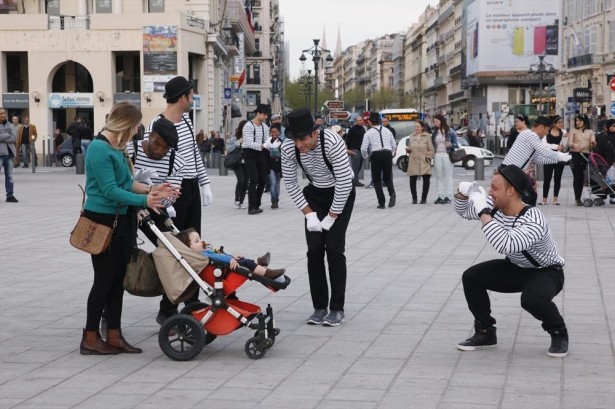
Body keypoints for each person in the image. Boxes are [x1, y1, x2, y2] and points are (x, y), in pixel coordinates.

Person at [80, 101, 178, 355]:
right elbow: (110, 190)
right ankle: (90, 337)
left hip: (121, 220)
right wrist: (145, 201)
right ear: (124, 124)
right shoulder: (100, 149)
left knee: (117, 281)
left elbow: (127, 183)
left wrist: (153, 190)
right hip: (103, 220)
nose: (137, 132)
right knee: (103, 281)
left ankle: (114, 334)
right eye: (135, 127)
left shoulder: (118, 148)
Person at [454, 165, 568, 358]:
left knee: (531, 300)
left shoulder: (534, 219)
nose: (490, 193)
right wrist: (463, 194)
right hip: (516, 268)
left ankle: (558, 331)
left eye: (494, 188)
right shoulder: (496, 208)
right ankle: (485, 332)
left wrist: (483, 211)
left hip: (547, 272)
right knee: (471, 277)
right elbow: (465, 212)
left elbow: (507, 244)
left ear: (510, 191)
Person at [145, 76, 213, 324]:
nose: (193, 99)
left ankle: (190, 302)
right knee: (175, 249)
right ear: (183, 97)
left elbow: (194, 156)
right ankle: (168, 307)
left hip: (191, 187)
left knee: (193, 246)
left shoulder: (186, 121)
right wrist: (163, 198)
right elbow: (151, 165)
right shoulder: (156, 124)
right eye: (191, 95)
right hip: (172, 192)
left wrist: (204, 183)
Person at [281, 108, 355, 327]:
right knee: (314, 250)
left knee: (333, 248)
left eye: (303, 139)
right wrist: (309, 214)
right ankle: (319, 306)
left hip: (340, 193)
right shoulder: (289, 148)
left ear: (315, 133)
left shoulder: (332, 142)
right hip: (314, 194)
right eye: (295, 139)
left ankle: (337, 309)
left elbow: (344, 183)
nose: (299, 145)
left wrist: (331, 217)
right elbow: (291, 183)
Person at [501, 115, 571, 206]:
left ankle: (524, 216)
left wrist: (558, 160)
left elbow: (538, 159)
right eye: (547, 130)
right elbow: (544, 151)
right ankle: (521, 216)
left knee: (531, 196)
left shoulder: (531, 136)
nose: (546, 133)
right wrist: (559, 156)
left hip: (514, 172)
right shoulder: (530, 135)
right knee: (527, 197)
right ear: (541, 127)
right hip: (509, 171)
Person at [176, 228, 286, 281]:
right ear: (188, 248)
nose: (201, 242)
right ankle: (268, 273)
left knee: (243, 259)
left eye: (200, 239)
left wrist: (231, 257)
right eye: (197, 241)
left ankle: (259, 263)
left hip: (225, 265)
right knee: (246, 263)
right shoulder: (202, 255)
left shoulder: (203, 251)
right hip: (224, 269)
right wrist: (230, 259)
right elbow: (216, 257)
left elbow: (218, 254)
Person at [361, 111, 397, 209]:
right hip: (387, 153)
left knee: (376, 179)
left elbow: (364, 148)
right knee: (387, 177)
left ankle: (381, 202)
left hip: (376, 154)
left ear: (369, 122)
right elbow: (394, 144)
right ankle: (392, 193)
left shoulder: (368, 133)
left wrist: (366, 156)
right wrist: (392, 153)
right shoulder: (387, 131)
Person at [242, 103, 270, 215]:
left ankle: (257, 204)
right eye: (264, 115)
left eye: (266, 115)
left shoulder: (265, 127)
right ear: (258, 113)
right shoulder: (248, 126)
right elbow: (248, 142)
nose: (266, 117)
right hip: (249, 153)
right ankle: (251, 207)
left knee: (263, 179)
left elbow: (267, 139)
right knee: (254, 179)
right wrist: (262, 145)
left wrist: (270, 144)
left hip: (261, 153)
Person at [568, 114, 596, 206]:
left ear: (584, 121)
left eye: (579, 120)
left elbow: (593, 144)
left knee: (585, 177)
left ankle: (586, 196)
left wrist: (592, 143)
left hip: (586, 155)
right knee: (577, 176)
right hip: (575, 155)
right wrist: (574, 145)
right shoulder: (573, 131)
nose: (578, 122)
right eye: (576, 120)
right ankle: (577, 199)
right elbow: (569, 143)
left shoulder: (590, 131)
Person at [431, 113, 458, 204]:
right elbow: (432, 144)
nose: (435, 123)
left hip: (447, 155)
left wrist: (450, 144)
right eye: (434, 122)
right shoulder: (435, 132)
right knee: (439, 177)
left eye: (437, 121)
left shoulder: (450, 131)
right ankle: (440, 196)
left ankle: (449, 196)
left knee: (448, 176)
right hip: (437, 155)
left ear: (441, 121)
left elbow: (456, 144)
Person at [406, 120, 434, 204]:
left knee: (426, 178)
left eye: (417, 127)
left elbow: (431, 149)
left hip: (424, 160)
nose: (416, 128)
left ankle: (424, 198)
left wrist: (428, 157)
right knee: (412, 179)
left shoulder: (427, 136)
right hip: (413, 160)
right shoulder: (411, 136)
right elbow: (409, 147)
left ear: (422, 127)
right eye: (415, 126)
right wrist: (408, 150)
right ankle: (414, 198)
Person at [540, 115, 566, 206]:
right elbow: (544, 145)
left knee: (557, 178)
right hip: (548, 157)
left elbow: (565, 146)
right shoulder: (547, 132)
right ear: (554, 123)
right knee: (547, 178)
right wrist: (556, 147)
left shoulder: (564, 132)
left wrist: (565, 141)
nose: (561, 124)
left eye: (562, 122)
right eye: (559, 122)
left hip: (559, 157)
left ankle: (555, 199)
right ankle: (544, 199)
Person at [227, 121, 248, 209]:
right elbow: (228, 149)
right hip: (237, 162)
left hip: (247, 162)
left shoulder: (250, 137)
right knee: (241, 180)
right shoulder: (235, 138)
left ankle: (242, 201)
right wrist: (238, 142)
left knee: (246, 182)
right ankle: (237, 200)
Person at [594, 118, 615, 204]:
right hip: (605, 162)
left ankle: (613, 196)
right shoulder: (602, 137)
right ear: (608, 127)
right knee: (606, 179)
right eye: (613, 126)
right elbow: (598, 152)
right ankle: (602, 196)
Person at [0, 108, 18, 202]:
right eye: (1, 113)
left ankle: (10, 195)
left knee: (9, 175)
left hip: (9, 154)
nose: (3, 115)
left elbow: (14, 137)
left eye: (4, 113)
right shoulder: (9, 127)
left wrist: (4, 137)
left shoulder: (9, 124)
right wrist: (7, 135)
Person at [264, 124, 283, 209]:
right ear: (270, 133)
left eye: (276, 132)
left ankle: (276, 199)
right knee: (273, 183)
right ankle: (273, 201)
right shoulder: (267, 143)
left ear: (279, 132)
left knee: (277, 185)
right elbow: (265, 155)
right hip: (270, 166)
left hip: (279, 166)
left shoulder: (281, 142)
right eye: (272, 132)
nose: (274, 133)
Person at [345, 116, 366, 187]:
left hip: (361, 149)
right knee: (355, 167)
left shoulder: (363, 128)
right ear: (356, 121)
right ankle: (354, 181)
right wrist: (348, 149)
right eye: (358, 120)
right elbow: (348, 139)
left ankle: (354, 180)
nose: (360, 121)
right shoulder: (353, 129)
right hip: (354, 149)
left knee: (359, 166)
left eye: (361, 120)